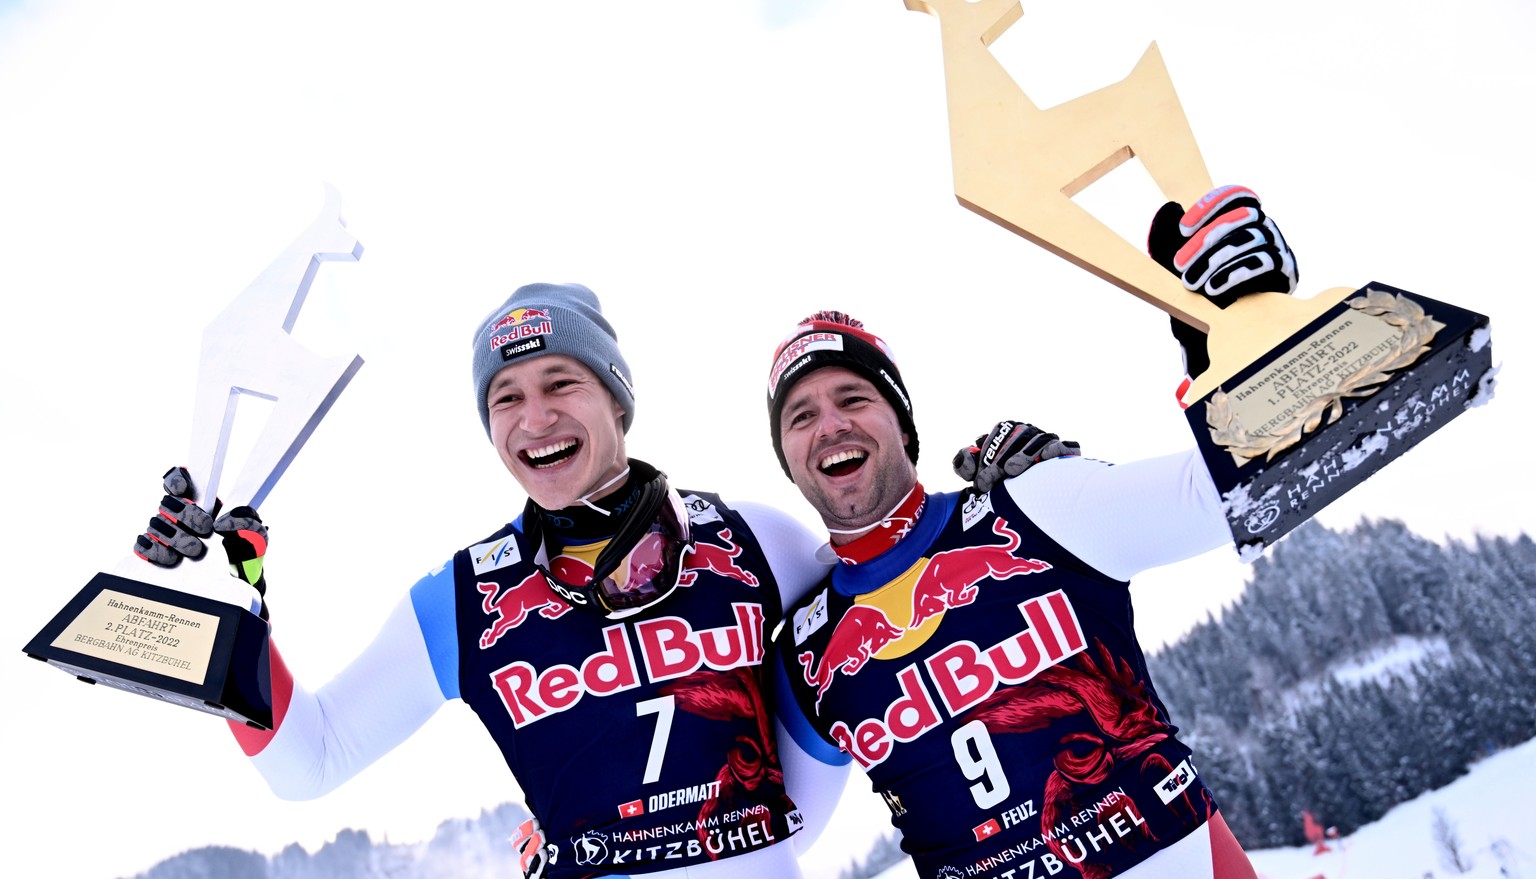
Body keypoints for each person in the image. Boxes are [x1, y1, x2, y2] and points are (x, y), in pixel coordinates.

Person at [132, 281, 1069, 879]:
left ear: (616, 398)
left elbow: (901, 601)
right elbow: (310, 761)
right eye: (506, 396)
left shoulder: (756, 538)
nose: (534, 415)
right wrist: (220, 606)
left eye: (560, 382)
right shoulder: (461, 599)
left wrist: (1011, 499)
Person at [765, 186, 1296, 879]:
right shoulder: (806, 652)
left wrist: (1236, 336)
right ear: (789, 461)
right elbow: (759, 841)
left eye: (853, 398)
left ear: (903, 425)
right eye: (800, 416)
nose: (830, 424)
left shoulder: (1036, 507)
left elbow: (1235, 488)